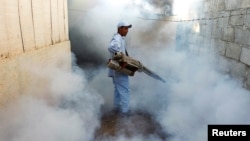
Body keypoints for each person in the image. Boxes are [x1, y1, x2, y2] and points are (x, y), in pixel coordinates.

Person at [107, 21, 132, 117]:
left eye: (128, 28)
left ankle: (116, 107)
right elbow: (111, 47)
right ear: (120, 28)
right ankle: (125, 111)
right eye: (125, 28)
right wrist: (122, 59)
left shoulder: (120, 38)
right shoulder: (117, 38)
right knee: (125, 89)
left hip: (116, 69)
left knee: (118, 89)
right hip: (119, 69)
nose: (127, 30)